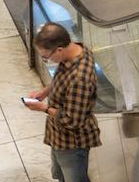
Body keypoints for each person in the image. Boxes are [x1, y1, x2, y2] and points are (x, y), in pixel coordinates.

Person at [25, 23, 101, 182]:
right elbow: (62, 77)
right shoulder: (74, 51)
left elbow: (71, 121)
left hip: (72, 143)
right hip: (58, 135)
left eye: (46, 56)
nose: (46, 59)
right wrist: (45, 91)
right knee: (60, 175)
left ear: (59, 50)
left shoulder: (80, 79)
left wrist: (43, 108)